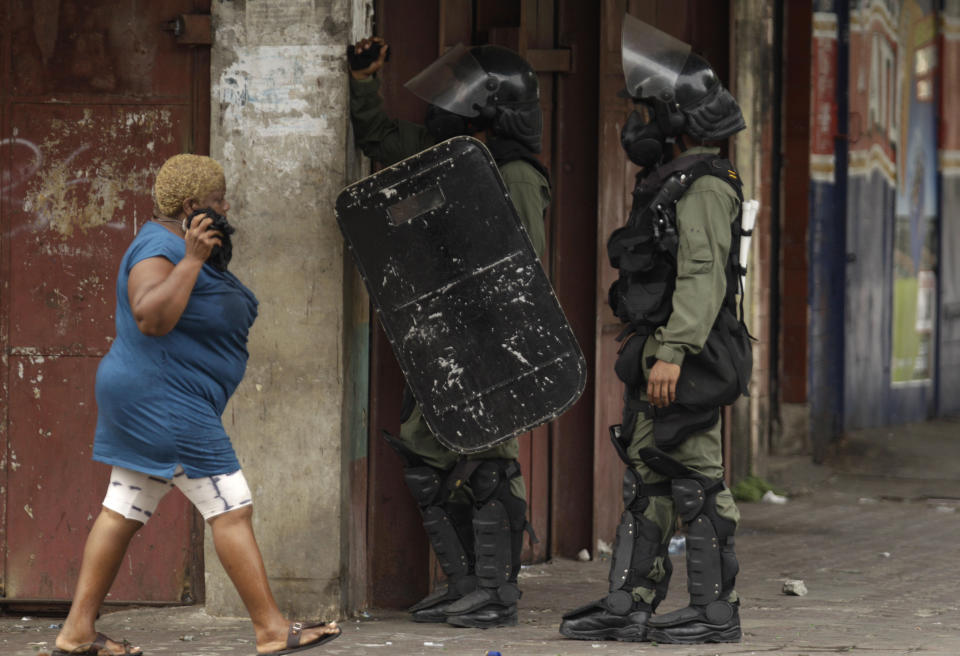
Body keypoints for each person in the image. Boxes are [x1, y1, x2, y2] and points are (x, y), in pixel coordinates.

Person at [53, 154, 341, 656]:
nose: (227, 207)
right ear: (191, 207)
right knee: (231, 506)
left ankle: (77, 633)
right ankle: (271, 629)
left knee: (124, 506)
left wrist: (199, 260)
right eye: (217, 200)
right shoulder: (160, 248)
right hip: (165, 399)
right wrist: (190, 259)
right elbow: (150, 317)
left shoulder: (173, 243)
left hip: (152, 393)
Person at [559, 16, 752, 645]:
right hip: (660, 348)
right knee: (648, 474)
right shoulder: (674, 183)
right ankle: (630, 602)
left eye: (647, 111)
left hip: (688, 354)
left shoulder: (703, 186)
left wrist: (672, 353)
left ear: (676, 120)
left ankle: (713, 612)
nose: (636, 124)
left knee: (694, 478)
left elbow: (702, 279)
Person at [348, 37, 550, 629]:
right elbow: (383, 141)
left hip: (495, 342)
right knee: (425, 455)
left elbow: (519, 270)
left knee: (489, 465)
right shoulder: (451, 154)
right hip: (447, 337)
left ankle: (495, 592)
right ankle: (463, 583)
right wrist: (364, 83)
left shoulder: (513, 173)